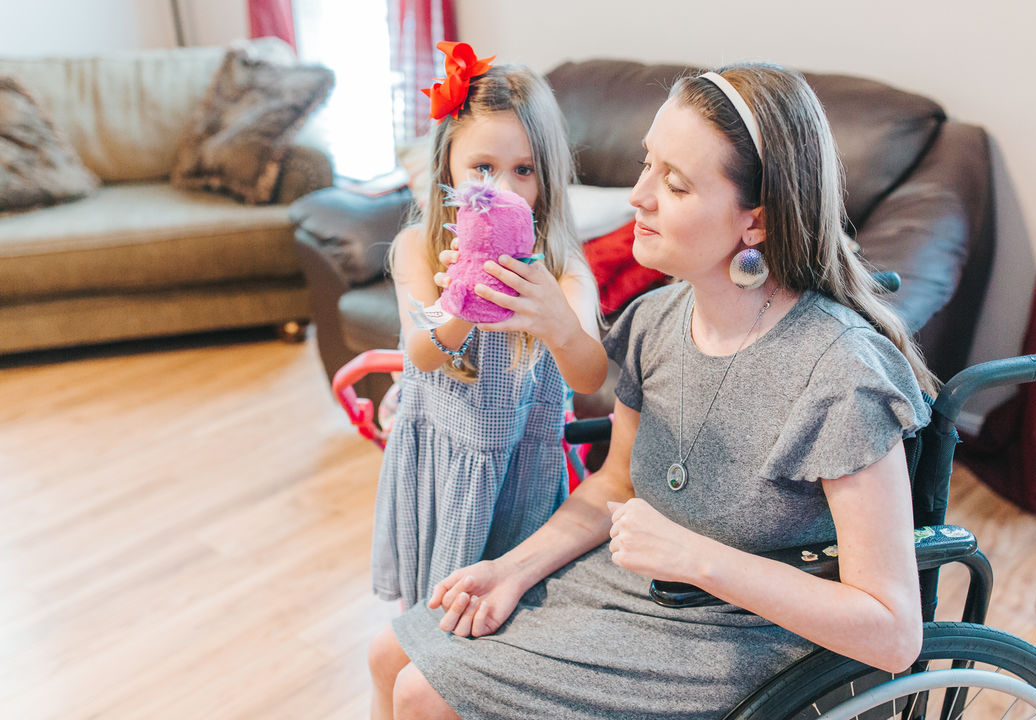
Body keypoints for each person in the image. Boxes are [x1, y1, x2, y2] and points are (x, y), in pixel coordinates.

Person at [368, 61, 937, 720]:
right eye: (647, 165)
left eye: (672, 183)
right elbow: (614, 486)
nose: (637, 197)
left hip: (745, 636)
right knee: (390, 655)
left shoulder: (841, 375)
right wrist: (513, 568)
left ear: (755, 221)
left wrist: (697, 558)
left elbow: (894, 633)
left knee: (423, 694)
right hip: (639, 584)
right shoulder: (654, 322)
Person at [372, 41, 607, 609]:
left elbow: (589, 375)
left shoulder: (562, 269)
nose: (502, 191)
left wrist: (555, 322)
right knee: (428, 611)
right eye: (482, 169)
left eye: (523, 171)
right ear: (446, 167)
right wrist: (461, 301)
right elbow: (422, 355)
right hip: (440, 467)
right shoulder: (418, 251)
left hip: (518, 475)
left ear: (546, 178)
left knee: (499, 618)